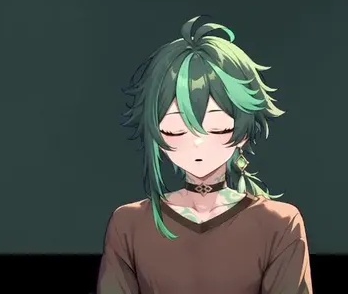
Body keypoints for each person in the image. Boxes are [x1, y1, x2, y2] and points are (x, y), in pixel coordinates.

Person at [97, 16, 311, 293]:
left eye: (218, 127)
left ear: (243, 134)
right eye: (175, 130)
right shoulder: (129, 224)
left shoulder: (279, 223)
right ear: (157, 135)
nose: (197, 143)